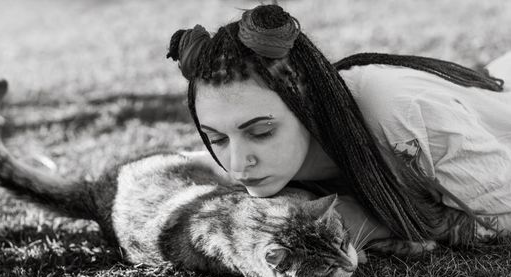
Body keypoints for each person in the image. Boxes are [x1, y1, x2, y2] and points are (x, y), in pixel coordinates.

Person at [166, 4, 511, 246]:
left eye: (261, 132)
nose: (238, 164)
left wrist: (382, 223)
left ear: (309, 104)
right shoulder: (262, 164)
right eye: (217, 139)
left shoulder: (399, 113)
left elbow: (500, 213)